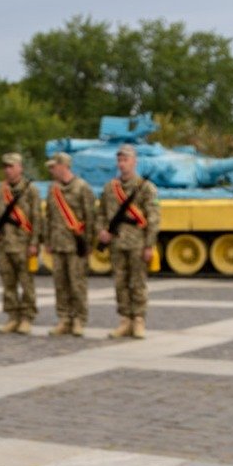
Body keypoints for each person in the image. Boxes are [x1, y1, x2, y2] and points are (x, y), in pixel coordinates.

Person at [97, 144, 160, 340]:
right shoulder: (110, 188)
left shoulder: (146, 188)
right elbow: (100, 213)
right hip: (117, 243)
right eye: (120, 160)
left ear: (134, 162)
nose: (122, 164)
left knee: (138, 283)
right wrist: (101, 231)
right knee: (120, 283)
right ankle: (125, 320)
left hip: (137, 244)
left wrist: (149, 245)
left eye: (126, 160)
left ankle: (139, 320)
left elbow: (153, 218)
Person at [42, 153, 97, 336]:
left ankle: (79, 319)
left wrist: (89, 243)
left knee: (77, 284)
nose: (51, 170)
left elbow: (91, 217)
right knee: (60, 284)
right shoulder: (53, 189)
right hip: (58, 244)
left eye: (53, 167)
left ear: (63, 166)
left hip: (76, 245)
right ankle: (64, 318)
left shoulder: (82, 188)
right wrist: (47, 240)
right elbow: (48, 216)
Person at [0, 152, 42, 335]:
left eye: (11, 166)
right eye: (5, 167)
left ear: (20, 168)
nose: (8, 170)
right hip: (4, 244)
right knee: (8, 283)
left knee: (26, 283)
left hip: (23, 244)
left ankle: (26, 317)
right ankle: (12, 316)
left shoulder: (30, 190)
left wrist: (34, 243)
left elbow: (36, 218)